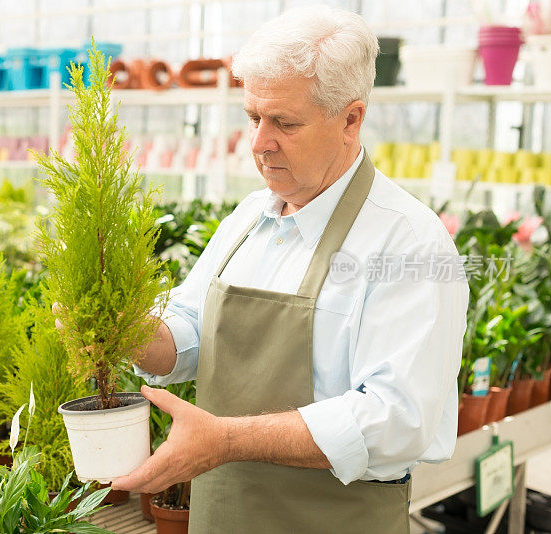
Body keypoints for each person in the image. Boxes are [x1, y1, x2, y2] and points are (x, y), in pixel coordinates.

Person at [108, 6, 469, 533]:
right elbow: (191, 330)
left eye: (285, 123)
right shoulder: (249, 218)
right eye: (253, 117)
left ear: (351, 119)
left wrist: (227, 440)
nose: (258, 143)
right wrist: (124, 332)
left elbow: (397, 419)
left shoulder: (408, 242)